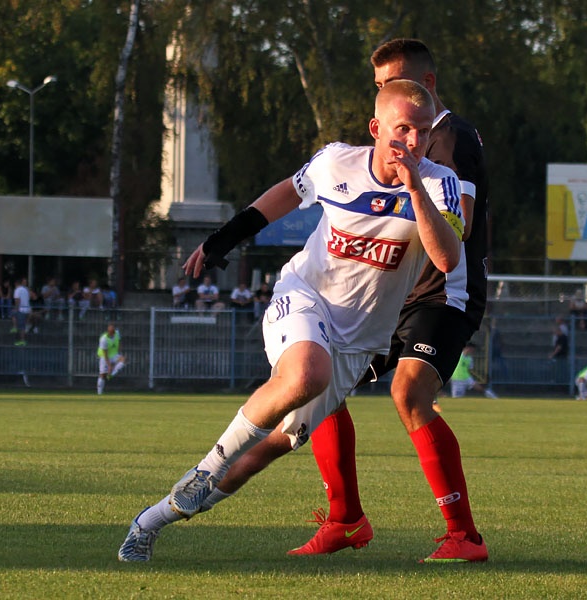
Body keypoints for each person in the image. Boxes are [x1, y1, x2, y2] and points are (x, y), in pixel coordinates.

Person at [117, 79, 463, 562]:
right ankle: (205, 466)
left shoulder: (439, 183)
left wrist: (414, 191)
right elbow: (285, 193)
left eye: (423, 132)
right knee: (305, 373)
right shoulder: (337, 161)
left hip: (357, 342)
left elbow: (447, 259)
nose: (412, 141)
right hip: (305, 298)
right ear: (376, 127)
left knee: (260, 453)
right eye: (401, 128)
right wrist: (225, 237)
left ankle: (151, 520)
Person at [213, 38, 490, 564]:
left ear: (426, 86)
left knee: (409, 393)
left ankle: (463, 535)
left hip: (440, 291)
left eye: (395, 83)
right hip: (386, 294)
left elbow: (461, 228)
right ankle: (345, 521)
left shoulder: (448, 137)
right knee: (320, 398)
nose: (387, 96)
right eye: (380, 87)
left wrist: (411, 194)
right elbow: (294, 191)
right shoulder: (362, 154)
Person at [97, 322, 126, 395]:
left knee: (123, 359)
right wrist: (109, 366)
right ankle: (99, 393)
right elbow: (105, 354)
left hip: (114, 354)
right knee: (102, 374)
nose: (112, 332)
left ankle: (111, 374)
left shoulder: (117, 333)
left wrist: (119, 353)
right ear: (108, 330)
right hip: (104, 356)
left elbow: (119, 342)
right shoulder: (104, 339)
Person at [10, 278, 32, 346]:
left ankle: (22, 340)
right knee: (13, 314)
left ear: (16, 284)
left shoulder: (17, 290)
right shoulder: (25, 290)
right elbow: (28, 299)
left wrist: (16, 309)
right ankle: (15, 327)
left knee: (21, 327)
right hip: (27, 309)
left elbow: (17, 300)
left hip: (21, 310)